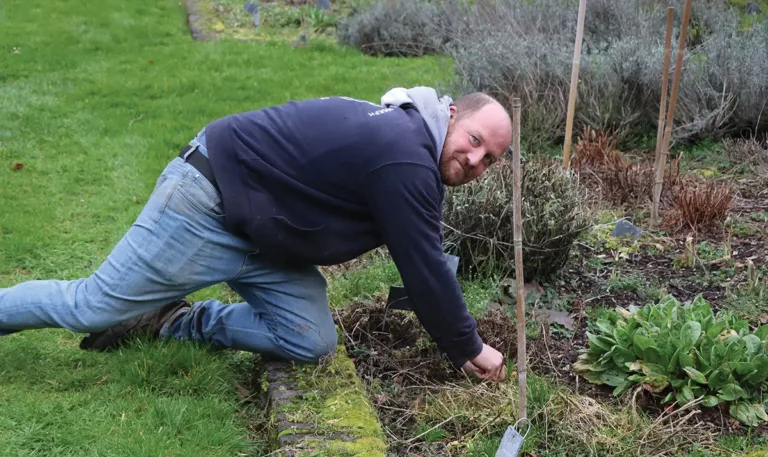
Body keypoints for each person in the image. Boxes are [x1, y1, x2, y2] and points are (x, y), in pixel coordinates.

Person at [0, 86, 512, 382]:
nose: (473, 160)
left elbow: (423, 254)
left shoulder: (409, 142)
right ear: (450, 115)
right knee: (87, 305)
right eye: (473, 140)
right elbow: (422, 269)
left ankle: (166, 321)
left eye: (488, 159)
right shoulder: (404, 155)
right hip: (208, 201)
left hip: (265, 235)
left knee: (310, 340)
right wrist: (470, 348)